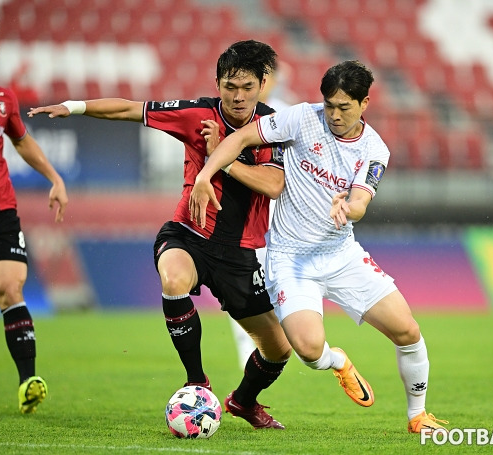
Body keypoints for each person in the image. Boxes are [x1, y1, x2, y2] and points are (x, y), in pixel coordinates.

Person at [28, 40, 292, 430]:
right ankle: (196, 382)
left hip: (239, 254)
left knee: (279, 350)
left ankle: (243, 401)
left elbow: (273, 185)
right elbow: (130, 109)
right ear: (217, 83)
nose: (237, 96)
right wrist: (75, 107)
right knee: (173, 278)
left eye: (247, 87)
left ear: (262, 84)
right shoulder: (197, 114)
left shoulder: (274, 127)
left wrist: (221, 160)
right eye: (229, 86)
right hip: (188, 234)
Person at [189, 60, 449, 434]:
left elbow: (361, 200)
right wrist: (208, 171)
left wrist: (350, 206)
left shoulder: (375, 150)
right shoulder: (300, 118)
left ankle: (418, 416)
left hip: (341, 255)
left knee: (407, 331)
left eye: (344, 107)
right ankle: (337, 361)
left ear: (365, 104)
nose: (334, 115)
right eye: (329, 105)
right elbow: (243, 138)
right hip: (290, 259)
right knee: (310, 351)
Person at [0, 11, 68, 414]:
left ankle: (28, 380)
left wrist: (54, 177)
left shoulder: (2, 99)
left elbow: (23, 143)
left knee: (10, 288)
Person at [228, 65, 295, 368]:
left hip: (276, 224)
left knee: (271, 296)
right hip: (247, 223)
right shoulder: (233, 114)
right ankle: (251, 357)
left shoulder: (284, 115)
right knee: (246, 294)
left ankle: (270, 352)